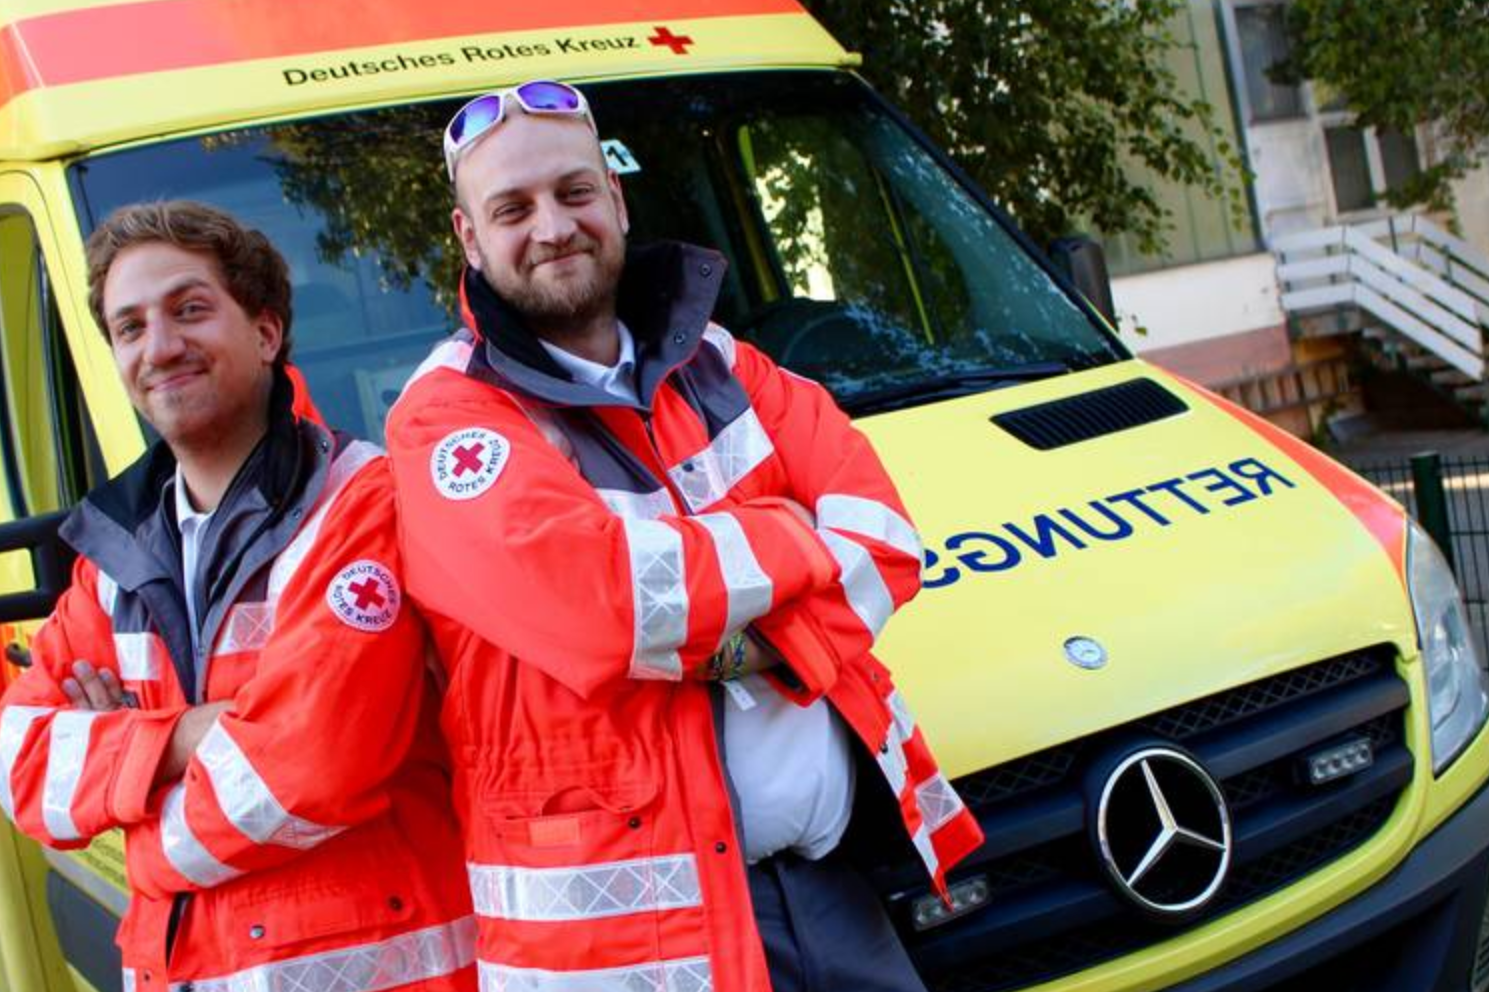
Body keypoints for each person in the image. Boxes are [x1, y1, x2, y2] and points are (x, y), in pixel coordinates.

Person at [385, 80, 983, 991]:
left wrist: (731, 645)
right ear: (469, 240)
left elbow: (885, 537)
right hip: (632, 947)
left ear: (615, 199)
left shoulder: (722, 361)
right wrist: (787, 532)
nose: (552, 227)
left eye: (574, 192)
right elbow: (603, 611)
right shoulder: (447, 420)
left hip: (827, 891)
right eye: (512, 208)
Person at [0, 201, 475, 992]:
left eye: (189, 310)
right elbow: (18, 767)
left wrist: (135, 823)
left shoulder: (359, 505)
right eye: (130, 327)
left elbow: (304, 772)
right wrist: (187, 736)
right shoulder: (111, 552)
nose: (160, 347)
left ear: (265, 333)